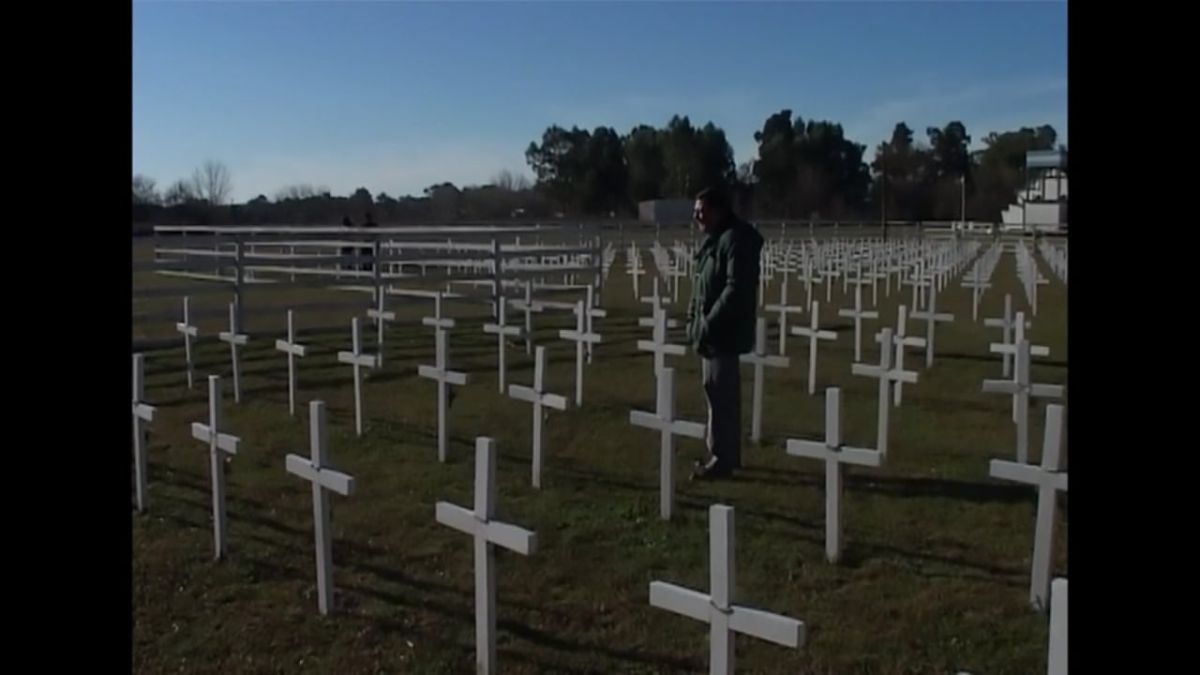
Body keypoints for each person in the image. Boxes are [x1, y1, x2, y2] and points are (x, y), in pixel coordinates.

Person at [685, 186, 763, 480]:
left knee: (722, 396)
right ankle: (722, 454)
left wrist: (707, 324)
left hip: (723, 332)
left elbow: (734, 289)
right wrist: (693, 317)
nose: (696, 216)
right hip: (711, 332)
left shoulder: (735, 240)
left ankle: (723, 459)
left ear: (718, 210)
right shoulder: (715, 240)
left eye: (700, 210)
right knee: (715, 392)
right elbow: (702, 282)